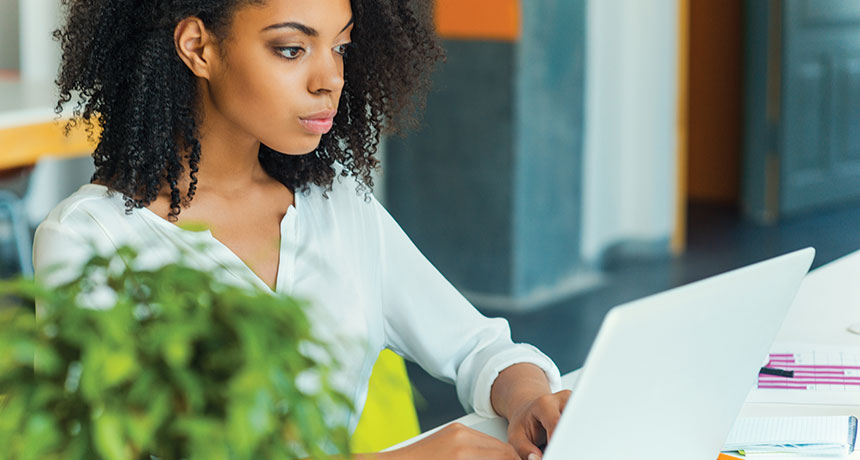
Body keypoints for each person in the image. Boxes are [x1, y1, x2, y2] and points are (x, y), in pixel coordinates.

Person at [34, 0, 570, 458]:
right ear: (199, 47)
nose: (330, 79)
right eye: (292, 49)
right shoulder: (89, 238)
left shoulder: (336, 203)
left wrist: (528, 400)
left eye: (340, 47)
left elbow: (477, 346)